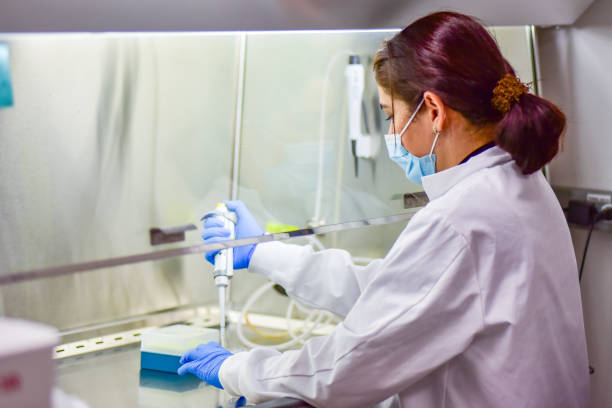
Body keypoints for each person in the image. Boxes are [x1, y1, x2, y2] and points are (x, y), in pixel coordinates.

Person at [177, 11, 589, 408]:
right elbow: (402, 296)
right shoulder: (522, 183)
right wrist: (266, 252)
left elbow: (343, 370)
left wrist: (238, 369)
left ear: (433, 110)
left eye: (391, 116)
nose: (393, 135)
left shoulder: (461, 220)